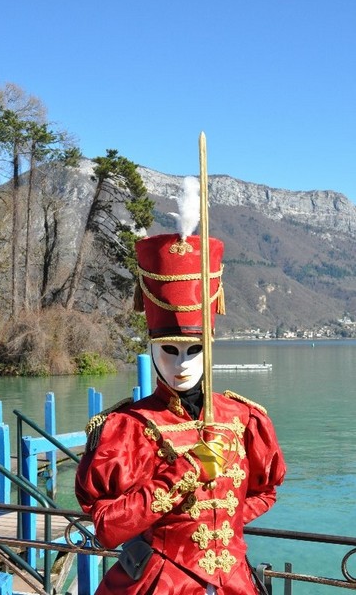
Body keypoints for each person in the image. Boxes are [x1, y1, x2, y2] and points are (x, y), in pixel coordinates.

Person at [75, 192, 286, 594]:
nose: (183, 363)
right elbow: (106, 527)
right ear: (152, 350)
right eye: (169, 351)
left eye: (195, 351)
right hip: (160, 583)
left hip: (235, 581)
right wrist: (183, 475)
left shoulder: (242, 419)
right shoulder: (125, 430)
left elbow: (265, 488)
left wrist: (225, 519)